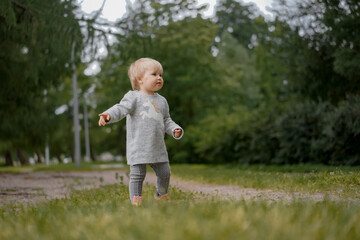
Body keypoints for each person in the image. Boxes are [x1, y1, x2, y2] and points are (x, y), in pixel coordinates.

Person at [98, 58, 183, 205]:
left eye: (161, 75)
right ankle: (136, 201)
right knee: (137, 175)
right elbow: (120, 108)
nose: (159, 78)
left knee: (165, 173)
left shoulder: (162, 101)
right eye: (154, 74)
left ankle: (161, 195)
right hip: (138, 146)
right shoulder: (134, 97)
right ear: (140, 79)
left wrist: (175, 129)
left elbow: (167, 120)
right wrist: (108, 115)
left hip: (157, 147)